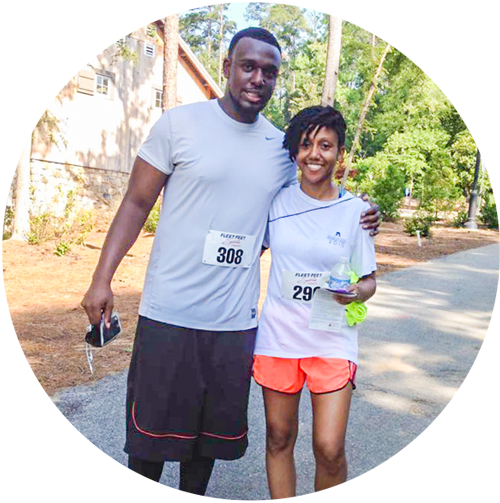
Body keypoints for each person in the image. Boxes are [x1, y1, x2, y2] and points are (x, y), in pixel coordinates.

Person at [81, 28, 380, 501]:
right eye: (248, 66)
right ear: (226, 66)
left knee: (207, 440)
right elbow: (136, 203)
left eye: (269, 72)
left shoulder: (283, 150)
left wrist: (362, 213)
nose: (257, 78)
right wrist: (102, 279)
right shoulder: (178, 125)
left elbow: (313, 199)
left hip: (235, 324)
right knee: (151, 438)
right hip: (170, 312)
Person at [253, 106, 377, 501]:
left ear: (339, 153)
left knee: (328, 447)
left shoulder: (358, 212)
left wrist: (354, 292)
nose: (314, 154)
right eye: (306, 144)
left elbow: (369, 280)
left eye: (325, 145)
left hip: (331, 338)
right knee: (278, 437)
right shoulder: (275, 203)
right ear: (294, 151)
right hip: (278, 338)